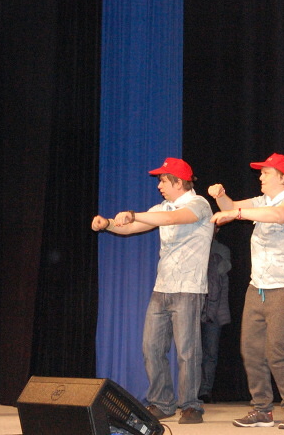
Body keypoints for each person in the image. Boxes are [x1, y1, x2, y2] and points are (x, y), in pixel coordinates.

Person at [91, 157, 214, 424]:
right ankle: (162, 402)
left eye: (163, 180)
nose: (159, 185)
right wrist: (107, 223)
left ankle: (191, 405)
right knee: (151, 348)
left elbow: (171, 218)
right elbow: (133, 227)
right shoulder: (161, 207)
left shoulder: (199, 204)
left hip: (188, 289)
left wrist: (134, 214)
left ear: (179, 182)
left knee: (187, 351)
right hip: (162, 288)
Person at [209, 152, 284, 430]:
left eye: (265, 172)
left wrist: (236, 213)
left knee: (279, 351)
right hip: (258, 287)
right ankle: (262, 409)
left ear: (283, 177)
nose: (260, 176)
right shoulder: (262, 201)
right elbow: (230, 206)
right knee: (251, 351)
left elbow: (278, 215)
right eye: (260, 172)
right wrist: (221, 196)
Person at [199, 229, 232, 404]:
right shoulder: (195, 246)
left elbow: (223, 269)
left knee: (210, 352)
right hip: (195, 307)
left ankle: (205, 390)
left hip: (215, 310)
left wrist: (210, 262)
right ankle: (191, 389)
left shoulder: (222, 250)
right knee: (192, 351)